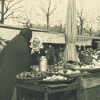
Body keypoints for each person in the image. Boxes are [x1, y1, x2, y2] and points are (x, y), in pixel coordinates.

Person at [0, 28, 32, 100]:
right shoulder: (22, 43)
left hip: (3, 71)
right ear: (28, 37)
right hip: (10, 74)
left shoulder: (14, 40)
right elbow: (27, 60)